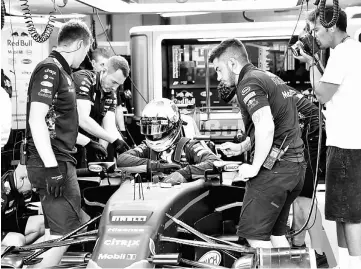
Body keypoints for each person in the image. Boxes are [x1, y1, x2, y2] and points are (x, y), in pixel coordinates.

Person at [209, 38, 306, 249]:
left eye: (219, 69)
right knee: (275, 235)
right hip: (294, 169)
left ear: (233, 64)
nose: (218, 77)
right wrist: (242, 147)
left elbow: (267, 127)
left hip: (275, 171)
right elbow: (281, 125)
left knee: (255, 237)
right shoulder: (268, 77)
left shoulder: (248, 83)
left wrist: (254, 167)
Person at [294, 6, 361, 269]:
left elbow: (321, 94)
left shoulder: (343, 54)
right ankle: (347, 263)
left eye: (317, 30)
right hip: (346, 142)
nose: (315, 36)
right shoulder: (348, 50)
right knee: (343, 214)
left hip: (347, 145)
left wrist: (311, 64)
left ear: (332, 26)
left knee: (351, 215)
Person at [25, 19, 93, 267]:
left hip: (60, 159)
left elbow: (58, 119)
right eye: (86, 51)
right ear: (79, 44)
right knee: (66, 233)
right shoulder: (51, 69)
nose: (84, 58)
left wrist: (87, 142)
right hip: (52, 162)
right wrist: (52, 168)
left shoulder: (63, 73)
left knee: (66, 227)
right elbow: (36, 119)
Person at [117, 98, 220, 184]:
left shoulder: (188, 146)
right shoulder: (147, 147)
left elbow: (215, 162)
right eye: (149, 128)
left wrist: (184, 173)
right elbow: (122, 160)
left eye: (159, 128)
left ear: (173, 126)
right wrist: (158, 166)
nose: (154, 135)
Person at [289, 89, 329, 268]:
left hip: (312, 132)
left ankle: (321, 253)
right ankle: (299, 246)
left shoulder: (256, 89)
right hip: (306, 130)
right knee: (298, 198)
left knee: (305, 198)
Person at [73, 55, 130, 167]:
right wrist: (113, 140)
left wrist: (123, 146)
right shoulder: (84, 79)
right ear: (104, 71)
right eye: (114, 82)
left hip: (87, 143)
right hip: (66, 142)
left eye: (119, 84)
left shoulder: (111, 93)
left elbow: (110, 127)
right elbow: (83, 119)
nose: (115, 88)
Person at [1, 164, 45, 246]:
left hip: (7, 224)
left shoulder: (18, 189)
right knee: (18, 240)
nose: (34, 189)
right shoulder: (2, 192)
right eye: (32, 185)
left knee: (43, 222)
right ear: (22, 178)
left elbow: (21, 213)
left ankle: (17, 248)